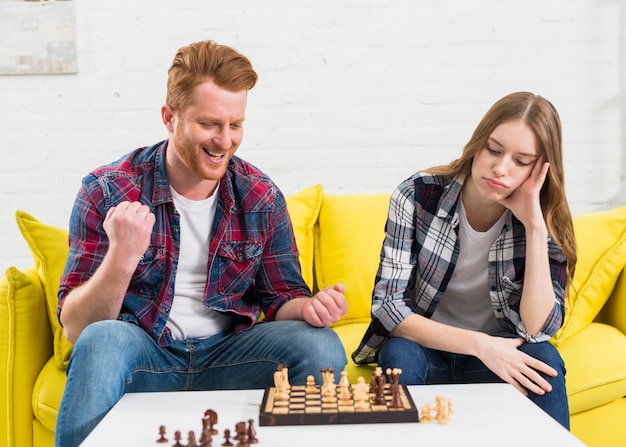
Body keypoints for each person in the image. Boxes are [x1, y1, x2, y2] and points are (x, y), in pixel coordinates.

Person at [55, 40, 348, 446]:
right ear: (169, 117)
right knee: (102, 341)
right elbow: (76, 328)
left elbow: (281, 298)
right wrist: (122, 257)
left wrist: (310, 307)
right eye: (209, 124)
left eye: (236, 125)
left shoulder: (260, 195)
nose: (225, 141)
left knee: (319, 346)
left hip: (228, 358)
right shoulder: (108, 190)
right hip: (146, 355)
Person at [352, 91, 576, 429]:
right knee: (399, 354)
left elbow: (537, 328)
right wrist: (482, 345)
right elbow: (388, 308)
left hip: (498, 362)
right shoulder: (416, 194)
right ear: (477, 143)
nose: (500, 168)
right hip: (430, 350)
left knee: (544, 359)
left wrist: (533, 228)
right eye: (494, 150)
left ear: (541, 169)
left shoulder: (546, 221)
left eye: (521, 161)